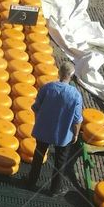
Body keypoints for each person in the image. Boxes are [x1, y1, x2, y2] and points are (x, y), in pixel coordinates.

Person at [24, 61, 83, 196]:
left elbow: (35, 107)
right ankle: (54, 190)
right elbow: (77, 119)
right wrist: (75, 134)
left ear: (59, 73)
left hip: (44, 130)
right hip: (63, 135)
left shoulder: (47, 88)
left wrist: (39, 120)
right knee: (60, 162)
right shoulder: (76, 95)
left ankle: (31, 181)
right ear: (72, 76)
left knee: (38, 156)